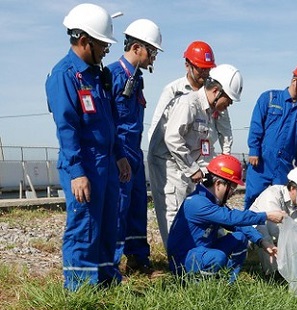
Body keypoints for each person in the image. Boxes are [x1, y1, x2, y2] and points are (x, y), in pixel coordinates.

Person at [45, 3, 131, 291]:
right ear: (85, 41)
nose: (107, 50)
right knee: (85, 225)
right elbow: (67, 129)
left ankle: (106, 281)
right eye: (102, 44)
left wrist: (119, 155)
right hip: (83, 164)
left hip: (105, 163)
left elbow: (109, 121)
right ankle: (81, 290)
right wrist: (78, 172)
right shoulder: (65, 75)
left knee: (107, 223)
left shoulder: (98, 75)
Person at [148, 64, 243, 249]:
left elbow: (199, 145)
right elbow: (173, 138)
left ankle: (192, 254)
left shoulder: (206, 111)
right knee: (173, 211)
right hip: (167, 164)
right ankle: (177, 264)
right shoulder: (189, 103)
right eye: (229, 99)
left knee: (191, 209)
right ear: (216, 91)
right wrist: (192, 169)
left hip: (184, 164)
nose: (229, 105)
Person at [167, 154, 285, 282]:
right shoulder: (197, 203)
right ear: (218, 184)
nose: (233, 193)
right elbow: (231, 218)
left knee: (240, 238)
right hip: (184, 261)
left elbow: (238, 225)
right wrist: (266, 215)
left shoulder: (211, 202)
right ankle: (202, 289)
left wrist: (262, 242)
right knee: (217, 256)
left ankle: (227, 282)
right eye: (232, 187)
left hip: (202, 252)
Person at [107, 18, 162, 275]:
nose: (153, 58)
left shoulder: (137, 78)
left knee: (138, 207)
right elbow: (107, 121)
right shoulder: (113, 76)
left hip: (134, 152)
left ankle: (139, 261)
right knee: (118, 210)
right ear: (137, 47)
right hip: (119, 154)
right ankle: (111, 268)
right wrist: (118, 156)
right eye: (151, 52)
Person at [243, 63, 297, 209]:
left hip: (284, 167)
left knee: (278, 204)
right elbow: (256, 124)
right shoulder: (269, 98)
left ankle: (271, 232)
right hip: (261, 162)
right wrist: (254, 150)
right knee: (253, 200)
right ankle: (245, 231)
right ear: (294, 79)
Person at [148, 41, 233, 155]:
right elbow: (157, 128)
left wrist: (226, 155)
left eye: (208, 69)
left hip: (204, 158)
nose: (205, 73)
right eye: (201, 68)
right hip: (177, 158)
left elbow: (225, 129)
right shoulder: (173, 90)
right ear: (187, 65)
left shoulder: (215, 92)